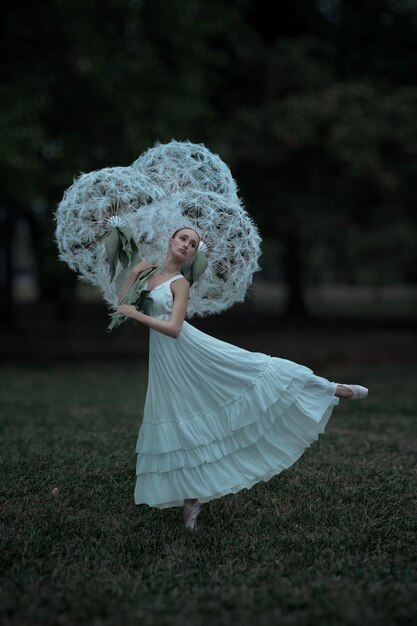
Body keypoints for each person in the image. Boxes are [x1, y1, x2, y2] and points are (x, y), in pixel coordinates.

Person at [116, 227, 368, 532]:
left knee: (260, 368)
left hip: (191, 350)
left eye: (192, 244)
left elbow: (174, 327)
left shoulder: (180, 283)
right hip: (165, 361)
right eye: (182, 238)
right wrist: (132, 275)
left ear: (193, 254)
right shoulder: (149, 273)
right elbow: (121, 303)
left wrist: (136, 315)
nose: (186, 244)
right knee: (179, 416)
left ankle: (332, 388)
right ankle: (192, 498)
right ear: (170, 241)